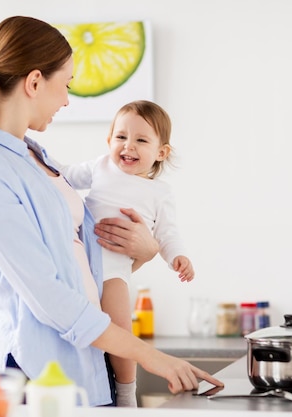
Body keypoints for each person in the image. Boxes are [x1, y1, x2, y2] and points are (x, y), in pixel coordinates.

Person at [0, 15, 222, 408]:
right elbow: (49, 296)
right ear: (35, 82)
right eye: (66, 85)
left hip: (87, 366)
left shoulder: (36, 158)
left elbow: (78, 269)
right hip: (36, 375)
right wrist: (151, 356)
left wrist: (141, 255)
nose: (66, 100)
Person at [54, 100, 194, 406]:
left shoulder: (160, 193)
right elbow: (62, 175)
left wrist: (177, 257)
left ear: (161, 152)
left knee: (121, 331)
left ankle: (126, 392)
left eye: (141, 140)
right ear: (109, 141)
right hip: (79, 263)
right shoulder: (100, 166)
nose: (128, 146)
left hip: (114, 269)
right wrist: (34, 155)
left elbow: (167, 233)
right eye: (121, 137)